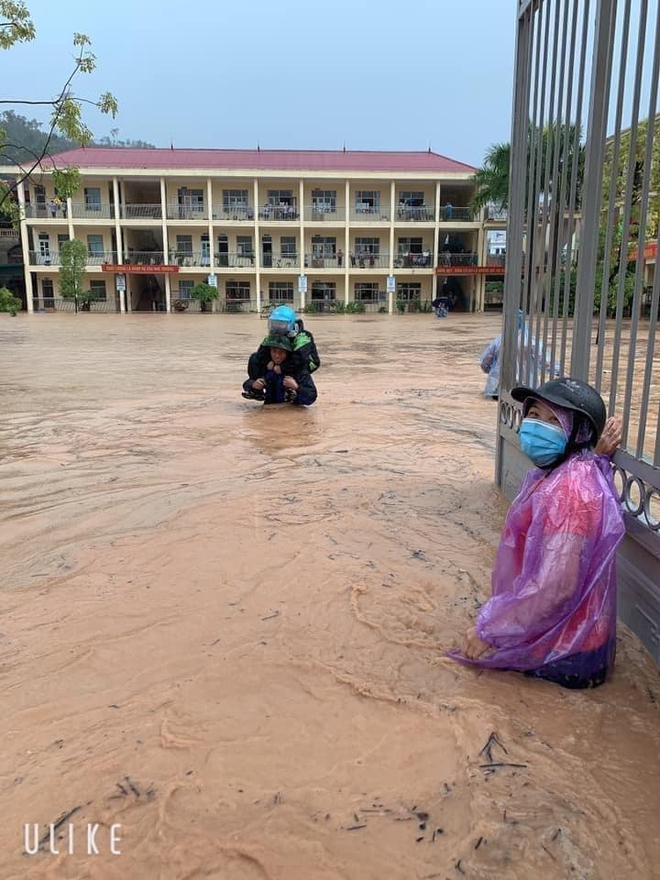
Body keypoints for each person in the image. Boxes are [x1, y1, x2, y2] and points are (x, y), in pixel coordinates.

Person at [449, 378, 625, 689]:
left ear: (578, 434)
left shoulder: (569, 492)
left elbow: (557, 588)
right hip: (571, 637)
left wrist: (490, 630)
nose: (536, 427)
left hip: (567, 653)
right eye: (534, 415)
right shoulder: (574, 470)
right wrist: (596, 453)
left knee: (454, 675)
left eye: (553, 420)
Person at [480, 310, 560, 400]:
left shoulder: (499, 340)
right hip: (525, 387)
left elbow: (485, 361)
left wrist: (489, 370)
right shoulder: (530, 340)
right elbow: (545, 361)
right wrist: (559, 371)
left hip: (499, 387)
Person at [247, 305, 320, 381]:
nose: (277, 327)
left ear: (290, 324)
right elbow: (261, 353)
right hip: (282, 360)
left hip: (306, 363)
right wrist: (267, 362)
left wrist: (283, 368)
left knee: (300, 364)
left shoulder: (303, 336)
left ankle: (294, 388)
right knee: (254, 358)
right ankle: (257, 385)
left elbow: (300, 357)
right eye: (274, 323)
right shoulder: (273, 335)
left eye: (281, 324)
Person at [242, 336, 317, 406]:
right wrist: (253, 384)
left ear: (287, 353)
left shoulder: (298, 370)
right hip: (269, 410)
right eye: (274, 351)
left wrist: (296, 387)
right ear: (270, 352)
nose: (277, 356)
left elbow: (312, 397)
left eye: (281, 352)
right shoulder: (266, 368)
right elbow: (246, 384)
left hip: (292, 413)